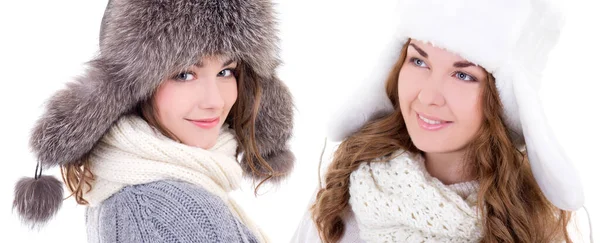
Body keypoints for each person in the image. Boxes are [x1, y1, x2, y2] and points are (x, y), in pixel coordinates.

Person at [292, 0, 586, 242]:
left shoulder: (531, 225)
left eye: (463, 75)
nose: (429, 96)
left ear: (503, 99)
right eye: (419, 61)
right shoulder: (343, 191)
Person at [13, 0, 294, 242]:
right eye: (184, 74)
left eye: (226, 71)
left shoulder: (124, 182)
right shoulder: (165, 211)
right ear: (130, 90)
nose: (215, 101)